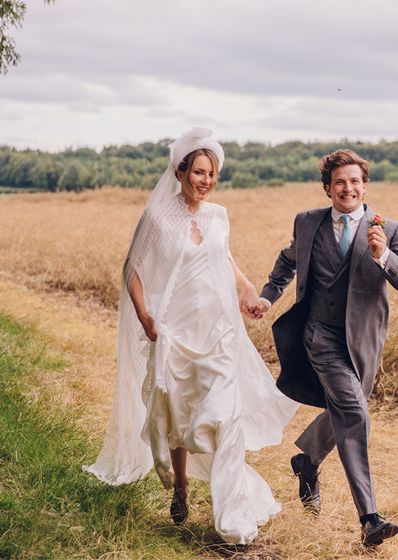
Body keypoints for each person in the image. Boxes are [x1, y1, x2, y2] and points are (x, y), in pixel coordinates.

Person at [84, 128, 298, 545]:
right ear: (180, 172)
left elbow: (226, 259)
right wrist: (146, 318)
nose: (206, 180)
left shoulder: (219, 215)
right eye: (199, 172)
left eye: (212, 174)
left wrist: (249, 289)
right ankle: (181, 485)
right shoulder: (159, 217)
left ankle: (233, 519)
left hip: (219, 333)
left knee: (225, 417)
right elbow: (132, 270)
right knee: (179, 417)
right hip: (175, 333)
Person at [249, 148, 398, 546]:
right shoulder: (308, 222)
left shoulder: (389, 230)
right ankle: (370, 518)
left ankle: (306, 460)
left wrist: (384, 257)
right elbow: (287, 261)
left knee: (348, 408)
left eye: (355, 181)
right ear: (328, 188)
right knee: (354, 415)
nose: (349, 188)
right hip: (319, 335)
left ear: (365, 186)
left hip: (364, 342)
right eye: (340, 182)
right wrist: (266, 296)